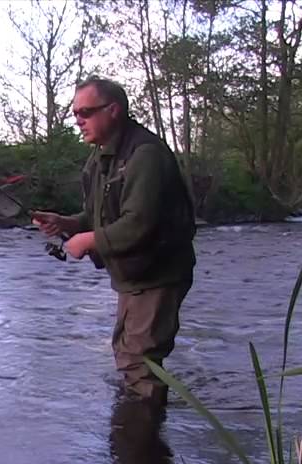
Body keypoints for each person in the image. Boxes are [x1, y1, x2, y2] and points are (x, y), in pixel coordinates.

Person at [32, 76, 197, 408]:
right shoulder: (100, 157)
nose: (78, 120)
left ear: (113, 111)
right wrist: (67, 223)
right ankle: (135, 432)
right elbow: (103, 214)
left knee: (140, 361)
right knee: (128, 354)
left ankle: (143, 442)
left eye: (86, 112)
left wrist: (88, 240)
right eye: (75, 113)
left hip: (158, 274)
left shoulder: (145, 155)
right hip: (134, 276)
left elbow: (139, 224)